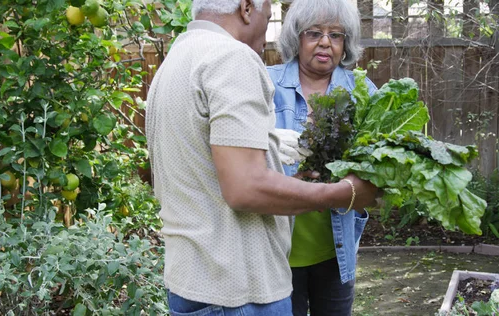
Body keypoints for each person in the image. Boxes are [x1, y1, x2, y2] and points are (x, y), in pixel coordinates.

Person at [144, 0, 379, 315]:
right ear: (246, 7)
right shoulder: (232, 57)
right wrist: (344, 193)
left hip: (192, 282)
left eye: (335, 35)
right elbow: (245, 188)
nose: (265, 34)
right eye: (268, 16)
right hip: (239, 289)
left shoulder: (176, 58)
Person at [266, 0, 379, 315]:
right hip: (276, 250)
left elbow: (378, 164)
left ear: (346, 44)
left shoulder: (363, 92)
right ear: (297, 39)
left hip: (335, 250)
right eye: (314, 33)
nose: (325, 42)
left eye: (336, 35)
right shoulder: (265, 83)